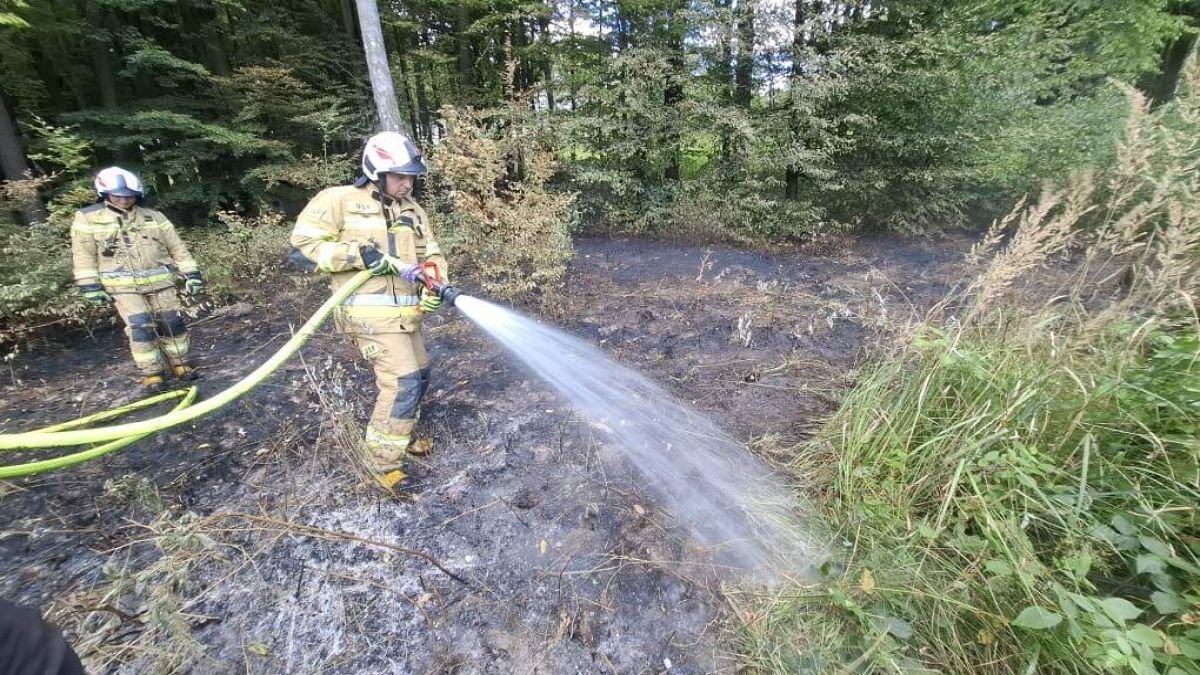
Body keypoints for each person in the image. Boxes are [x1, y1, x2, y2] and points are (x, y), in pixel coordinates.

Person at [289, 131, 448, 487]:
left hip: (406, 316)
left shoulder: (413, 210)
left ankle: (400, 437)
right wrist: (356, 255)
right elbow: (301, 248)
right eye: (400, 177)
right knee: (402, 381)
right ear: (376, 172)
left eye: (411, 178)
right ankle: (380, 467)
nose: (408, 185)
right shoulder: (339, 200)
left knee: (421, 375)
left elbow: (431, 253)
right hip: (368, 318)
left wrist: (435, 282)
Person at [70, 167, 204, 390]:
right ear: (105, 193)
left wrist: (191, 274)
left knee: (172, 323)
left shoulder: (154, 216)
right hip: (123, 288)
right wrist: (89, 286)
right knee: (140, 327)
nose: (124, 200)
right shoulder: (88, 218)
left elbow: (177, 248)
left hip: (161, 282)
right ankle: (152, 373)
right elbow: (83, 254)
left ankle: (180, 364)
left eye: (129, 196)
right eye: (118, 196)